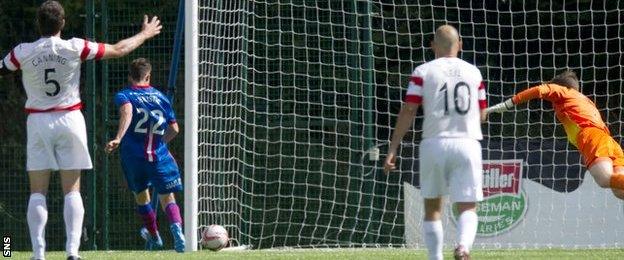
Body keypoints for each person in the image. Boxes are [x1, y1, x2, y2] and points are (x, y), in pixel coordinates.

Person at [0, 1, 161, 259]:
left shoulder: (23, 51)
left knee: (37, 191)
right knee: (72, 190)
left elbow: (2, 68)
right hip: (70, 120)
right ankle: (72, 252)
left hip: (38, 122)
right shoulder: (75, 46)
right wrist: (145, 33)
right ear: (62, 23)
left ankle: (38, 254)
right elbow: (119, 50)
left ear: (37, 24)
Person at [384, 25, 487, 260]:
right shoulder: (474, 73)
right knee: (468, 207)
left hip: (434, 143)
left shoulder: (422, 71)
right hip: (468, 143)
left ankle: (435, 258)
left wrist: (393, 148)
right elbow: (481, 115)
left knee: (433, 208)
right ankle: (463, 247)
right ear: (459, 44)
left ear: (433, 46)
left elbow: (409, 109)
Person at [486, 70, 624, 200]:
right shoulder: (585, 100)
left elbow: (540, 89)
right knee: (619, 192)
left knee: (604, 179)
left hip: (591, 137)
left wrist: (507, 104)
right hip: (609, 142)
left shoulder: (565, 91)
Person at [105, 58, 184, 252]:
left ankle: (155, 236)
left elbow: (127, 112)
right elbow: (174, 128)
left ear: (130, 77)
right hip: (158, 155)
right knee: (167, 196)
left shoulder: (125, 95)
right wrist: (160, 144)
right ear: (148, 76)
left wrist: (118, 137)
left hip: (134, 157)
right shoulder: (161, 97)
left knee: (141, 196)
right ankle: (177, 230)